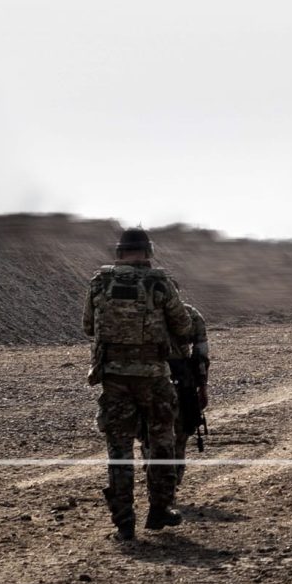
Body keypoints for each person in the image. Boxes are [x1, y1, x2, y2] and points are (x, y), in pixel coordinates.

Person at [83, 227, 198, 538]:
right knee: (161, 442)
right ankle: (160, 510)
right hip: (154, 379)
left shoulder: (100, 282)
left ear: (119, 253)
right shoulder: (159, 282)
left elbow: (88, 328)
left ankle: (123, 520)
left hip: (114, 379)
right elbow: (184, 328)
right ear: (148, 253)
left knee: (118, 451)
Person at [170, 302, 212, 456]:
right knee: (181, 431)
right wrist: (202, 386)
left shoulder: (145, 312)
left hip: (151, 377)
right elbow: (201, 355)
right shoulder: (190, 313)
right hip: (181, 380)